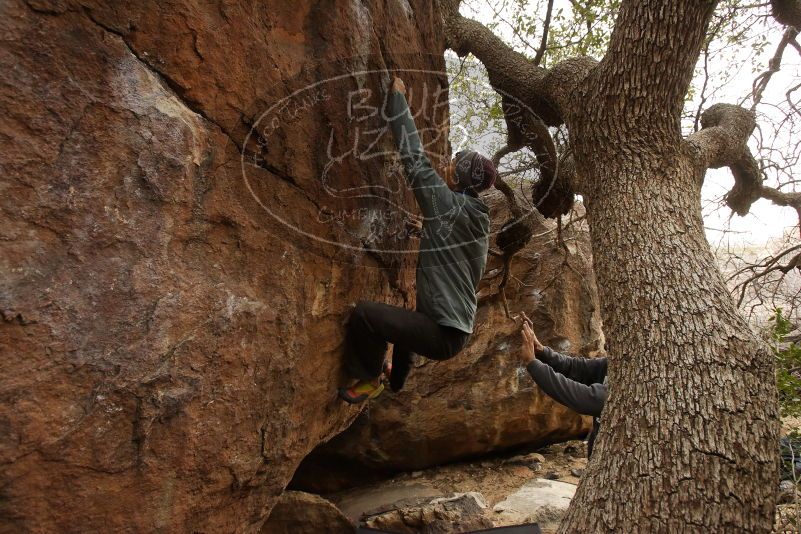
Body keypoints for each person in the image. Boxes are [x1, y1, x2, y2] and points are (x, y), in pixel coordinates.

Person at [338, 76, 498, 403]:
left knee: (366, 315)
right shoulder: (477, 219)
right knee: (408, 324)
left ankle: (369, 379)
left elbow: (414, 158)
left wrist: (398, 100)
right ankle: (395, 381)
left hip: (443, 332)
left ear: (461, 176)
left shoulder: (447, 205)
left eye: (453, 164)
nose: (447, 164)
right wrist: (428, 231)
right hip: (452, 328)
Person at [518, 314, 608, 457]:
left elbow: (585, 398)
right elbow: (575, 367)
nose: (606, 342)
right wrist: (541, 350)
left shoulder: (635, 377)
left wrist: (533, 363)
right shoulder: (612, 364)